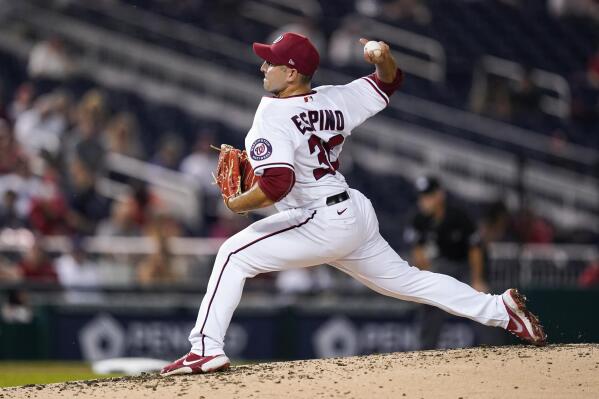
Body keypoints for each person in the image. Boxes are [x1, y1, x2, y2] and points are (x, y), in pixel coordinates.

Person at [161, 33, 546, 376]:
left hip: (318, 218)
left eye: (272, 62)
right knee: (410, 281)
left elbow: (278, 184)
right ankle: (500, 310)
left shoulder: (271, 114)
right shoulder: (337, 98)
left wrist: (237, 203)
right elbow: (391, 80)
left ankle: (205, 349)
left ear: (292, 74)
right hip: (352, 213)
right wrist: (382, 58)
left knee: (232, 253)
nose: (264, 66)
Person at [405, 176, 489, 349]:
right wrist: (420, 286)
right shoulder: (418, 219)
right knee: (430, 299)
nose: (424, 201)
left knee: (480, 300)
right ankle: (425, 351)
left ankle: (493, 347)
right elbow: (418, 253)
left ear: (439, 195)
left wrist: (478, 280)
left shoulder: (458, 216)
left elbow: (475, 249)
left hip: (464, 267)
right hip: (440, 269)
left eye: (428, 195)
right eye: (422, 196)